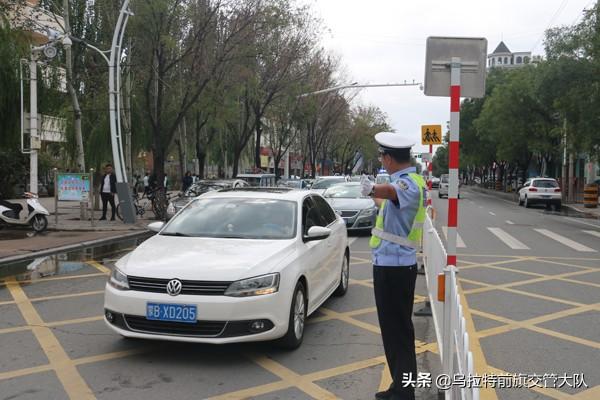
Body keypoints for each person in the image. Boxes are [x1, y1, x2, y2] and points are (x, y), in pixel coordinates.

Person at [359, 132, 427, 400]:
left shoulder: (408, 183)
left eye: (381, 156)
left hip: (395, 269)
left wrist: (374, 189)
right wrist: (373, 196)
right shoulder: (404, 183)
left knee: (398, 331)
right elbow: (388, 199)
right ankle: (399, 386)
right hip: (391, 266)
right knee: (393, 331)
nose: (381, 161)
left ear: (388, 158)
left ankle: (404, 392)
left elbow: (392, 193)